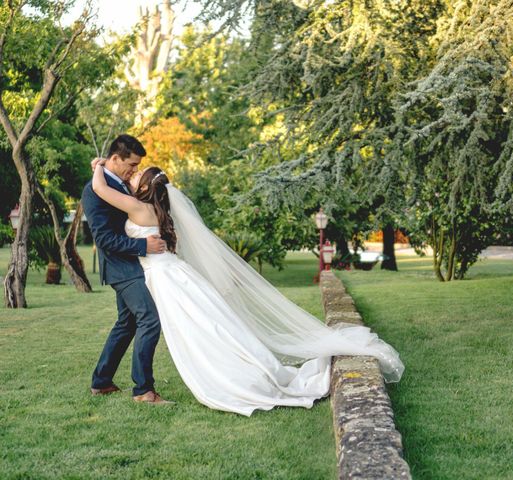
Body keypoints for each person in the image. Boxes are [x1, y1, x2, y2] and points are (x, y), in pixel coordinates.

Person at [90, 157, 404, 416]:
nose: (133, 177)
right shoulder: (159, 211)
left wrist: (98, 166)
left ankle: (149, 388)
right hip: (171, 275)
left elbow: (100, 189)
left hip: (164, 278)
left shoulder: (137, 208)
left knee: (198, 332)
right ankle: (125, 382)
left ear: (145, 188)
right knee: (209, 328)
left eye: (137, 175)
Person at [82, 134, 172, 405]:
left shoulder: (117, 183)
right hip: (123, 268)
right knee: (149, 319)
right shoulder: (93, 191)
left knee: (127, 323)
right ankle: (144, 391)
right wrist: (143, 245)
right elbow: (104, 239)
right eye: (131, 164)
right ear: (115, 158)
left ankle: (102, 382)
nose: (134, 170)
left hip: (134, 265)